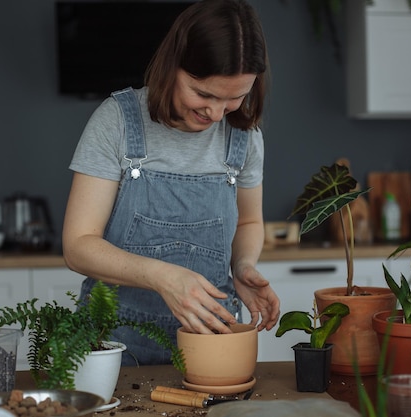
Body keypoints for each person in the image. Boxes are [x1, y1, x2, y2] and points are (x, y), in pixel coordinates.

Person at [62, 0, 280, 366]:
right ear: (173, 65)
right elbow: (78, 246)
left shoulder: (245, 136)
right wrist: (163, 277)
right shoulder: (117, 121)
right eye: (204, 94)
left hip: (210, 340)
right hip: (111, 341)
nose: (215, 114)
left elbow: (248, 221)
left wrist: (243, 266)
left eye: (234, 98)